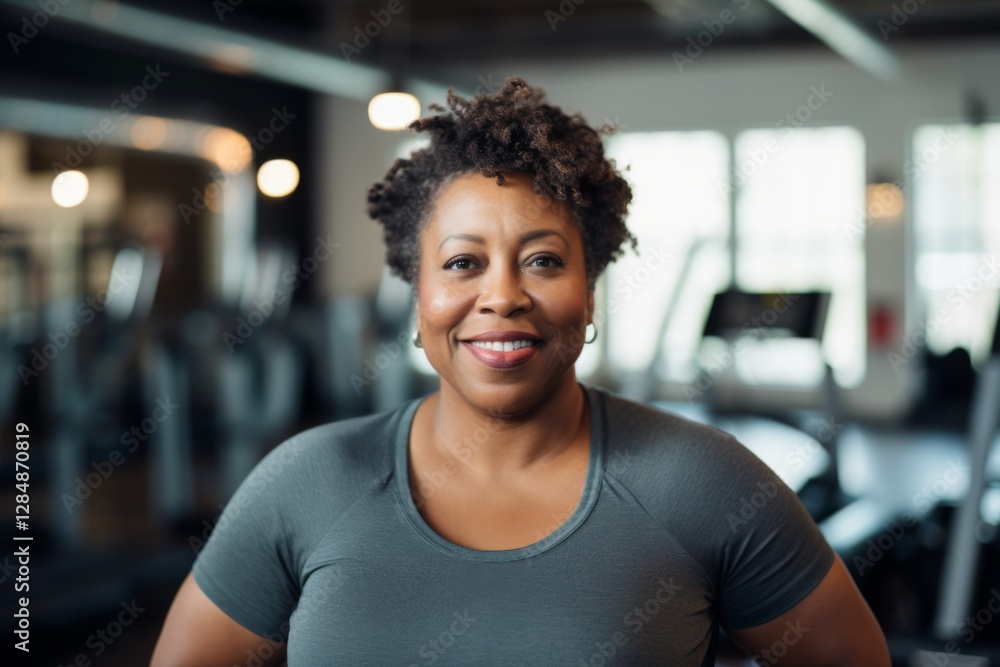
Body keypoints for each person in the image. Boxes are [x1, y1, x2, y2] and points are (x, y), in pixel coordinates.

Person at [151, 77, 890, 666]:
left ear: (589, 291)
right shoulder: (305, 483)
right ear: (418, 296)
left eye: (542, 260)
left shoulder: (705, 483)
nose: (502, 295)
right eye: (463, 263)